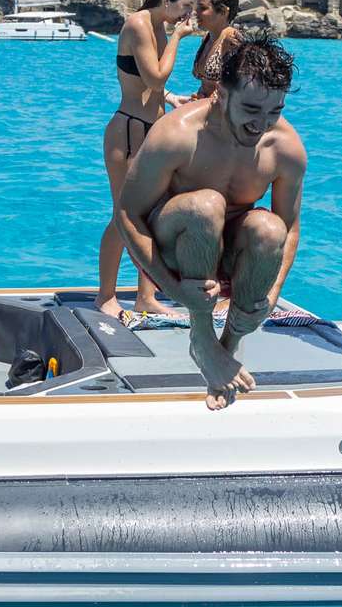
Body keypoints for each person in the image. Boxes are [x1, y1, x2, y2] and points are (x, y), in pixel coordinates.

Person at [116, 32, 306, 410]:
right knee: (206, 206)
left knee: (270, 230)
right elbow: (127, 215)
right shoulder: (177, 134)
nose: (261, 124)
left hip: (226, 259)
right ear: (221, 94)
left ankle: (227, 348)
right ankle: (201, 336)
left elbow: (291, 228)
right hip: (176, 250)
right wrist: (174, 289)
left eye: (274, 112)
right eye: (251, 109)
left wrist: (269, 297)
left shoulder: (286, 149)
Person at [97, 0, 200, 318]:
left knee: (152, 218)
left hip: (149, 130)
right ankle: (105, 295)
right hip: (127, 133)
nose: (188, 15)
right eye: (185, 6)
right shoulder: (140, 23)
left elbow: (144, 80)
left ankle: (146, 296)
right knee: (122, 218)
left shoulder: (157, 24)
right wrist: (177, 39)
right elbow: (154, 78)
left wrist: (170, 98)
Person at [172, 0, 240, 103]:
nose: (195, 12)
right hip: (206, 109)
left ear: (223, 11)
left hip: (222, 115)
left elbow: (239, 88)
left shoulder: (233, 40)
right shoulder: (207, 38)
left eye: (202, 8)